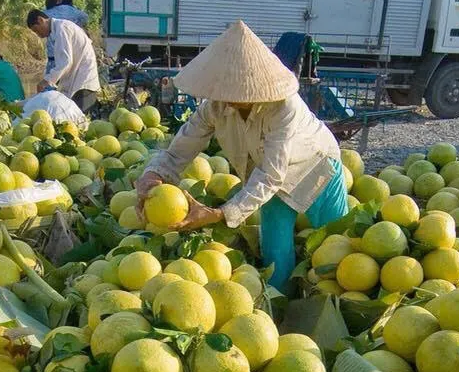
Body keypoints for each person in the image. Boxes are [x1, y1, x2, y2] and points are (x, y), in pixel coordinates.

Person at [136, 21, 345, 290]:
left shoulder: (284, 108)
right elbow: (182, 147)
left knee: (338, 246)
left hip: (317, 167)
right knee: (276, 258)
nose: (228, 97)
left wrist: (220, 214)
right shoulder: (215, 107)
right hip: (266, 179)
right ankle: (278, 311)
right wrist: (153, 176)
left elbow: (271, 174)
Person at [27, 9, 100, 112]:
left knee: (81, 118)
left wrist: (46, 81)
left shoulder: (62, 28)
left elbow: (65, 62)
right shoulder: (59, 29)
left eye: (36, 30)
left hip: (83, 80)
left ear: (41, 20)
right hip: (78, 77)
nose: (38, 34)